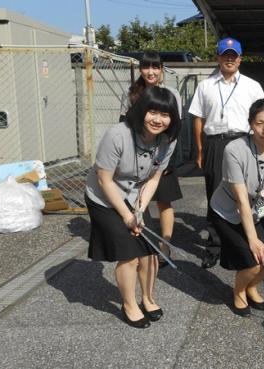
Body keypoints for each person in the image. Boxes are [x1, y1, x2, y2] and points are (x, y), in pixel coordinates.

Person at [85, 86, 182, 327]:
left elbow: (155, 178)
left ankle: (148, 298)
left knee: (148, 250)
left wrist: (139, 209)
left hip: (135, 194)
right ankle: (129, 304)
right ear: (141, 111)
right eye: (153, 112)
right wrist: (127, 217)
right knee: (129, 254)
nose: (158, 120)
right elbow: (103, 179)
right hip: (104, 197)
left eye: (166, 114)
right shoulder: (117, 135)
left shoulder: (168, 140)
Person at [209, 98, 264, 316]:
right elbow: (240, 199)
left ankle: (251, 287)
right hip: (228, 210)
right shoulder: (234, 149)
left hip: (257, 209)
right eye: (259, 123)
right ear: (250, 124)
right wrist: (254, 240)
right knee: (254, 260)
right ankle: (238, 293)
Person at [189, 37, 264, 269]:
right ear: (218, 58)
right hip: (215, 143)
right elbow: (198, 119)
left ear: (240, 59)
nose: (229, 59)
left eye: (234, 55)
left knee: (246, 194)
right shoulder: (205, 86)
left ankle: (245, 239)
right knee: (215, 194)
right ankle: (214, 247)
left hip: (243, 142)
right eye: (225, 55)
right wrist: (200, 150)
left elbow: (262, 117)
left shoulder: (252, 86)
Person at [119, 51, 183, 268]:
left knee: (164, 201)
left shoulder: (172, 93)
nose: (151, 71)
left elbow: (176, 127)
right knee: (137, 201)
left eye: (155, 67)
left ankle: (164, 247)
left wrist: (170, 160)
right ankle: (142, 247)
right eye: (146, 67)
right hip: (135, 158)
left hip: (162, 155)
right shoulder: (130, 95)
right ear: (140, 69)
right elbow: (123, 127)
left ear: (162, 69)